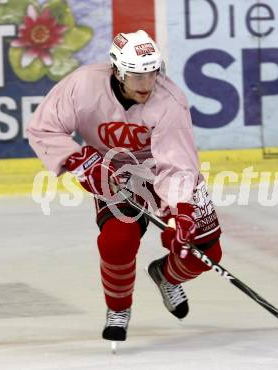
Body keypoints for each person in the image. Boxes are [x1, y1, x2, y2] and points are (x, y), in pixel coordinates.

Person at [27, 30, 222, 344]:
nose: (146, 86)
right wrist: (79, 159)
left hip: (161, 171)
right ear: (118, 71)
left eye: (151, 74)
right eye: (136, 77)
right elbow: (43, 127)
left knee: (204, 253)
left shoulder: (169, 101)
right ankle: (118, 309)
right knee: (117, 240)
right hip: (113, 171)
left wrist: (181, 213)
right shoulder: (83, 86)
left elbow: (177, 162)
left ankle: (166, 276)